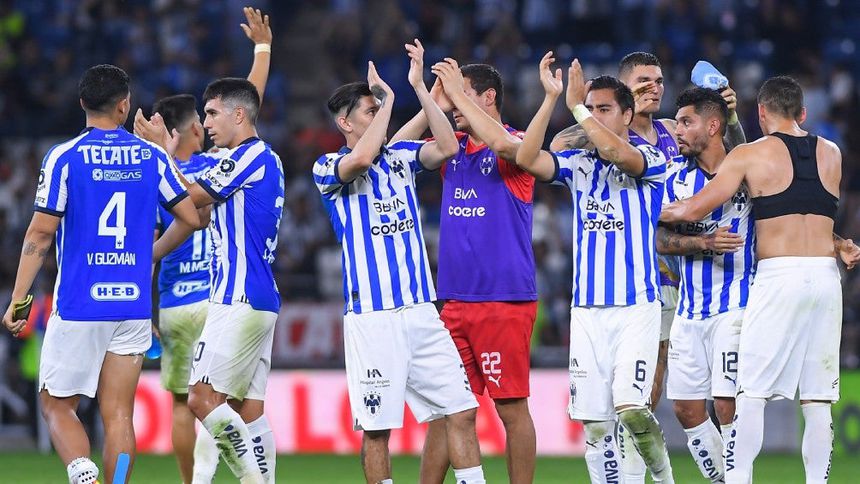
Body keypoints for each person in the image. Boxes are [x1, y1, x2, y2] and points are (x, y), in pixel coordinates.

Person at [550, 52, 745, 482]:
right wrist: (609, 115)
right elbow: (559, 146)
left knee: (662, 398)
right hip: (632, 279)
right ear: (624, 89)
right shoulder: (600, 129)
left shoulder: (673, 131)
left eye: (658, 80)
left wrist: (728, 116)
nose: (654, 87)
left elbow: (736, 161)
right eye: (643, 81)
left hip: (681, 279)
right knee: (638, 397)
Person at [1, 64, 200, 484]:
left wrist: (19, 299)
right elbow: (189, 217)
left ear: (82, 103)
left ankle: (82, 471)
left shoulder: (65, 157)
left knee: (57, 406)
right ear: (124, 105)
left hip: (80, 302)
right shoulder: (152, 157)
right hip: (131, 305)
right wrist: (149, 255)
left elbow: (41, 232)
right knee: (119, 415)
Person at [659, 76, 860, 484]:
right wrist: (840, 244)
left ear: (762, 112)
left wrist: (651, 209)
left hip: (778, 276)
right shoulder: (833, 153)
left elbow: (693, 209)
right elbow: (806, 211)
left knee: (749, 394)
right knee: (818, 398)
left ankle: (737, 480)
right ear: (803, 113)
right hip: (826, 277)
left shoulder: (750, 154)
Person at [313, 40, 485, 484]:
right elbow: (362, 156)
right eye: (369, 111)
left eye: (378, 109)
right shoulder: (328, 167)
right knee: (377, 430)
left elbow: (446, 147)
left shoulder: (401, 159)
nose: (378, 116)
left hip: (422, 314)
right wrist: (389, 100)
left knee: (462, 411)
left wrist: (420, 90)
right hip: (373, 318)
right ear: (344, 122)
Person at [515, 53, 674, 483]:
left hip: (635, 307)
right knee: (596, 425)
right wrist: (551, 99)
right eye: (591, 108)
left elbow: (616, 151)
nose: (594, 116)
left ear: (627, 115)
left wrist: (577, 108)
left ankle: (664, 478)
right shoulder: (579, 165)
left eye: (604, 109)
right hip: (587, 311)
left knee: (631, 408)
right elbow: (528, 158)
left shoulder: (650, 158)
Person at [391, 57, 537, 483]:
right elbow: (392, 153)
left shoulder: (515, 143)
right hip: (453, 301)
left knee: (511, 409)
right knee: (447, 410)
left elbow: (505, 146)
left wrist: (453, 94)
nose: (454, 104)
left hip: (503, 300)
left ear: (489, 97)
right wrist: (429, 100)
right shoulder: (451, 147)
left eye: (462, 93)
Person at [148, 8, 272, 483]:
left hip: (220, 297)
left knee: (194, 401)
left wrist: (157, 154)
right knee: (247, 409)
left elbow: (189, 205)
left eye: (213, 114)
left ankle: (206, 481)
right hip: (241, 295)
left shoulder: (224, 164)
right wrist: (263, 50)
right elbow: (247, 103)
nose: (208, 122)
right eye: (203, 117)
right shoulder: (231, 160)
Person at [656, 87, 752, 482]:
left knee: (727, 404)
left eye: (686, 122)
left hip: (736, 307)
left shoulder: (746, 172)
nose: (677, 130)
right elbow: (658, 239)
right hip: (689, 310)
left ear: (713, 126)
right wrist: (703, 242)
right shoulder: (674, 177)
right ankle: (723, 479)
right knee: (685, 408)